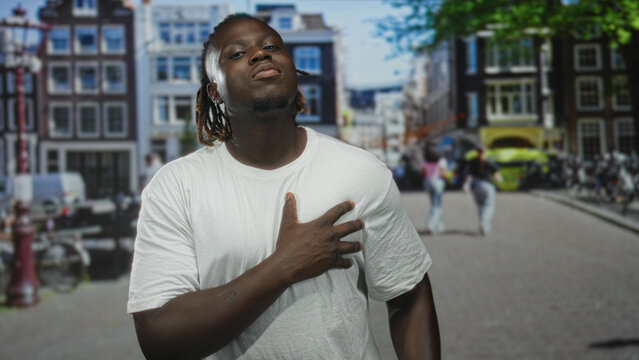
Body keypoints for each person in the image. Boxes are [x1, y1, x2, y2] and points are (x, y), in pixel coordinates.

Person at [127, 14, 440, 360]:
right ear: (215, 91)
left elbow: (409, 297)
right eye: (235, 54)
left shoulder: (361, 172)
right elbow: (158, 337)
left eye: (272, 46)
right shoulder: (176, 187)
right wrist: (284, 265)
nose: (261, 54)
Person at [464, 146, 502, 235]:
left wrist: (466, 185)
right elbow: (497, 177)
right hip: (487, 186)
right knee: (489, 206)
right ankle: (484, 223)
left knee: (480, 206)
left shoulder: (473, 162)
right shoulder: (490, 162)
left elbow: (469, 176)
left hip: (475, 187)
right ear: (486, 152)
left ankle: (483, 224)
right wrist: (500, 180)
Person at [421, 144, 447, 234]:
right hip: (438, 183)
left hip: (428, 182)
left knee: (434, 204)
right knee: (437, 205)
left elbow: (423, 173)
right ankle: (431, 225)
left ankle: (440, 226)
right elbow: (443, 174)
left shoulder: (425, 162)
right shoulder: (441, 161)